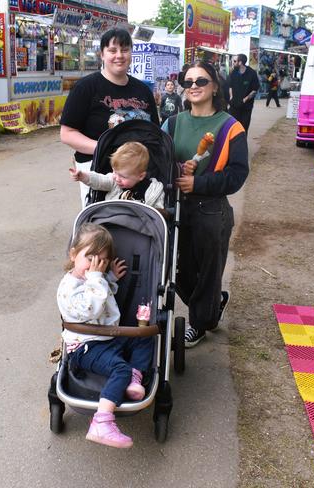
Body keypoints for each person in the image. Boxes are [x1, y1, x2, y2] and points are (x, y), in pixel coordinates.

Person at [161, 61, 249, 348]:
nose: (194, 87)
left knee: (208, 273)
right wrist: (176, 171)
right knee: (178, 272)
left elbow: (237, 174)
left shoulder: (230, 127)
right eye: (188, 82)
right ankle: (212, 305)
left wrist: (198, 183)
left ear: (214, 86)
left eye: (201, 81)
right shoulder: (172, 123)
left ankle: (200, 323)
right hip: (175, 207)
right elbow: (157, 160)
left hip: (211, 211)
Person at [57, 223, 154, 448]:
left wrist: (109, 279)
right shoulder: (68, 287)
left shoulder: (92, 280)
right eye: (89, 258)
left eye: (101, 261)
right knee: (120, 368)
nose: (94, 266)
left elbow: (102, 297)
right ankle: (101, 421)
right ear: (73, 255)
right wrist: (98, 279)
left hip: (106, 338)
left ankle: (134, 378)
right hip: (85, 347)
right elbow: (93, 308)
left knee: (143, 336)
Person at [60, 28, 160, 206]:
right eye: (112, 50)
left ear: (131, 52)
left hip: (137, 175)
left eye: (125, 49)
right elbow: (67, 133)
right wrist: (105, 147)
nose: (119, 55)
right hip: (98, 171)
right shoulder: (86, 87)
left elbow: (154, 132)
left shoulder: (143, 90)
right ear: (102, 55)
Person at [69, 141, 165, 208]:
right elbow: (99, 180)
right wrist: (83, 176)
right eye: (115, 172)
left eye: (122, 176)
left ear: (141, 176)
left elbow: (158, 213)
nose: (117, 178)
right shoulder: (113, 181)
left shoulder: (154, 189)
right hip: (112, 220)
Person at [228, 54, 260, 133]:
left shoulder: (252, 73)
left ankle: (242, 144)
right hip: (234, 106)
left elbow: (255, 89)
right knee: (232, 127)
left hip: (246, 107)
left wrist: (245, 100)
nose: (233, 63)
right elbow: (230, 86)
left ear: (240, 62)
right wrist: (231, 97)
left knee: (243, 128)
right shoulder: (233, 72)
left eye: (235, 61)